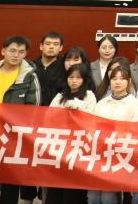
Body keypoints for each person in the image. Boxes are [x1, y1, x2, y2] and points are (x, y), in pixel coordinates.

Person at [44, 64, 95, 204]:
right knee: (56, 186)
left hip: (78, 147)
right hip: (60, 146)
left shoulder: (89, 96)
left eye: (78, 78)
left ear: (84, 79)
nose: (74, 81)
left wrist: (77, 109)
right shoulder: (60, 96)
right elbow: (48, 117)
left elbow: (91, 117)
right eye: (71, 77)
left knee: (72, 189)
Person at [89, 67, 138, 204]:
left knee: (107, 198)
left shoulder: (134, 104)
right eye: (114, 78)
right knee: (92, 197)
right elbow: (92, 127)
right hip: (99, 154)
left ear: (128, 81)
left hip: (119, 155)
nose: (117, 82)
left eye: (122, 79)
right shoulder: (102, 103)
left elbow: (134, 131)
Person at [33, 31, 65, 106]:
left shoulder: (65, 66)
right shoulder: (31, 66)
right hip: (33, 108)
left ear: (61, 48)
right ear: (41, 46)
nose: (51, 47)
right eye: (48, 44)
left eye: (55, 44)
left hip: (57, 109)